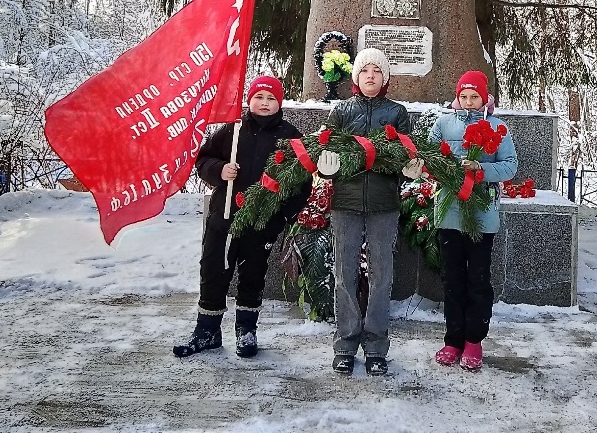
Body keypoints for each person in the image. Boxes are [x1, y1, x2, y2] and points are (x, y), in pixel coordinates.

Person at [173, 75, 306, 359]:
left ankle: (246, 330)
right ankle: (207, 331)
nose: (264, 103)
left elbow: (302, 180)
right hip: (225, 217)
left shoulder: (291, 136)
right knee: (213, 271)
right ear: (250, 100)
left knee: (253, 275)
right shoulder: (232, 131)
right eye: (259, 97)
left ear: (279, 103)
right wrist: (219, 170)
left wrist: (282, 215)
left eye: (271, 99)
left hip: (262, 222)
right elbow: (204, 160)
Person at [316, 47, 411, 377]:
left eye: (377, 70)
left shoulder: (397, 113)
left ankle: (376, 346)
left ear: (385, 78)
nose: (370, 74)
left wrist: (407, 165)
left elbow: (404, 151)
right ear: (355, 76)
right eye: (365, 69)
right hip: (346, 204)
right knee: (345, 274)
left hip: (384, 205)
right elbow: (325, 147)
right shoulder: (341, 110)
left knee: (381, 276)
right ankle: (345, 344)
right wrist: (326, 166)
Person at [426, 70, 517, 371]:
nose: (468, 102)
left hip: (482, 215)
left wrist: (481, 169)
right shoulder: (443, 123)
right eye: (463, 96)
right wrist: (435, 169)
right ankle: (453, 340)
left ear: (484, 98)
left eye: (474, 97)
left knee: (477, 279)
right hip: (449, 212)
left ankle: (474, 340)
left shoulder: (498, 127)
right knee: (452, 279)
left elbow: (509, 166)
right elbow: (430, 157)